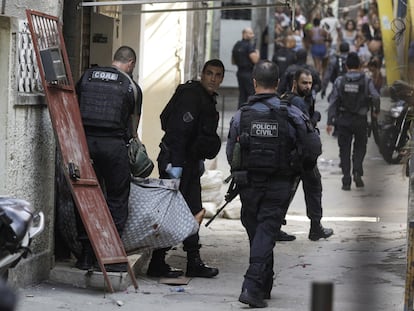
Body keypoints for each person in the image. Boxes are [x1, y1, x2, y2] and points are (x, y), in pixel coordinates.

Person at [226, 60, 322, 307]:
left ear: (254, 82)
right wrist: (300, 167)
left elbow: (230, 153)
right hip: (280, 183)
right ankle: (252, 286)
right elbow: (313, 146)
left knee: (259, 232)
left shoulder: (241, 115)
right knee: (265, 232)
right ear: (278, 84)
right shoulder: (291, 112)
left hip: (248, 184)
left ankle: (261, 284)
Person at [147, 59, 225, 279]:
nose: (213, 78)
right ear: (202, 74)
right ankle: (170, 261)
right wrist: (176, 169)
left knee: (192, 211)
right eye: (209, 73)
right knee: (183, 211)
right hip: (177, 162)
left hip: (188, 163)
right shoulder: (192, 95)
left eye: (218, 75)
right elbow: (178, 133)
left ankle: (179, 260)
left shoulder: (205, 98)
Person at [75, 46, 142, 272]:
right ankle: (110, 256)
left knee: (86, 197)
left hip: (85, 145)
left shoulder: (87, 77)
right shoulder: (131, 86)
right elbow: (133, 128)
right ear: (130, 63)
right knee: (116, 199)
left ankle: (85, 255)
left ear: (115, 59)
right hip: (114, 146)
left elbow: (73, 107)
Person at [281, 69, 334, 241]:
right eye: (304, 83)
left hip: (294, 154)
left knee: (288, 191)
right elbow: (305, 128)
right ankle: (315, 227)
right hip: (301, 155)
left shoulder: (292, 98)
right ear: (295, 83)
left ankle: (275, 227)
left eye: (310, 83)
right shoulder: (297, 102)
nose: (308, 86)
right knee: (313, 188)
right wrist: (315, 118)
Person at [327, 52, 380, 190]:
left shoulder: (340, 80)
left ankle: (346, 179)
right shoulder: (366, 79)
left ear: (346, 66)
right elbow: (375, 96)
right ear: (360, 65)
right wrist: (376, 111)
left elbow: (333, 101)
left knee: (344, 149)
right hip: (360, 120)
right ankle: (357, 170)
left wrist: (330, 121)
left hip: (343, 120)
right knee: (360, 146)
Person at [232, 27, 260, 108]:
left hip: (239, 72)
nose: (253, 35)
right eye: (250, 33)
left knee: (242, 95)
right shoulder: (249, 46)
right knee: (251, 95)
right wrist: (257, 52)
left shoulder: (237, 45)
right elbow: (255, 60)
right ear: (244, 34)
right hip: (248, 73)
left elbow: (233, 61)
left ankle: (240, 113)